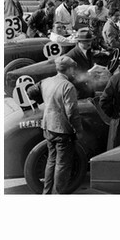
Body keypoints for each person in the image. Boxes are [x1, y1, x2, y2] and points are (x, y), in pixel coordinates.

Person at [40, 55, 83, 194]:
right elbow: (72, 112)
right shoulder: (67, 86)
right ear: (68, 69)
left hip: (48, 126)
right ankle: (58, 194)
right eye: (72, 69)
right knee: (62, 164)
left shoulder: (46, 82)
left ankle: (47, 192)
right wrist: (78, 130)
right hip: (62, 130)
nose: (73, 71)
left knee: (51, 161)